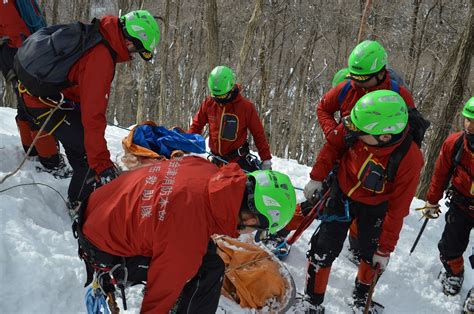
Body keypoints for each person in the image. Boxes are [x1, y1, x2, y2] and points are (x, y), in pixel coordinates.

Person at [75, 156, 296, 313]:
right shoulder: (187, 237)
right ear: (251, 220)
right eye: (257, 230)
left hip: (99, 207)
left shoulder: (206, 169)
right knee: (209, 269)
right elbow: (159, 296)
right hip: (101, 245)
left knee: (205, 252)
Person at [18, 10, 160, 207]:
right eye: (136, 51)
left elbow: (76, 74)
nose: (132, 56)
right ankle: (79, 205)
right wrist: (102, 166)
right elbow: (93, 118)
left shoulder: (98, 32)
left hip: (39, 93)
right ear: (130, 42)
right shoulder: (101, 57)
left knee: (83, 141)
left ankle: (83, 183)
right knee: (88, 156)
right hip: (41, 102)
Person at [302, 90, 424, 313]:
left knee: (371, 254)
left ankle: (361, 296)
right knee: (323, 246)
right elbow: (333, 145)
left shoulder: (409, 159)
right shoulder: (358, 125)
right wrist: (317, 178)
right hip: (342, 192)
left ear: (384, 136)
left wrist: (385, 249)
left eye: (362, 133)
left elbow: (398, 210)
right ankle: (312, 300)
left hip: (376, 205)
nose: (354, 134)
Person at [313, 40, 416, 263]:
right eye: (355, 79)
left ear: (380, 73)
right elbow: (323, 108)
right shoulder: (347, 88)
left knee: (367, 232)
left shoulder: (400, 98)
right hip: (345, 162)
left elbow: (407, 141)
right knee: (326, 230)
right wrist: (332, 133)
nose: (359, 85)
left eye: (364, 79)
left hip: (376, 179)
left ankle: (358, 247)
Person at [0, 0, 69, 176]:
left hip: (15, 52)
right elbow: (16, 26)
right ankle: (51, 161)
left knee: (25, 101)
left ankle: (31, 149)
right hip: (21, 52)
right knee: (38, 105)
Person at [422, 97, 473, 296]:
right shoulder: (455, 143)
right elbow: (440, 173)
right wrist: (432, 200)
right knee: (449, 247)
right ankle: (454, 272)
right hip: (461, 204)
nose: (469, 125)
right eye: (467, 119)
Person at [188, 65, 272, 172]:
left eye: (222, 96)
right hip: (216, 161)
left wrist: (266, 160)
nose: (218, 100)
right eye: (215, 96)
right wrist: (187, 145)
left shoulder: (246, 107)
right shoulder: (209, 103)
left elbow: (258, 134)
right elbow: (196, 125)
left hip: (238, 162)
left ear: (232, 88)